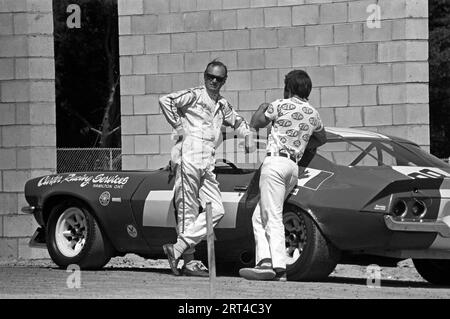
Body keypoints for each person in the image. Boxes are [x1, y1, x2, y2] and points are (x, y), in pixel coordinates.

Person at [159, 60, 252, 277]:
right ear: (205, 76)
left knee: (216, 209)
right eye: (211, 76)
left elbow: (238, 121)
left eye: (219, 78)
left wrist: (247, 136)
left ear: (224, 81)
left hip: (208, 162)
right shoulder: (194, 95)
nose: (214, 81)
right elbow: (166, 100)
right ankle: (189, 262)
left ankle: (178, 248)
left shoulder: (223, 105)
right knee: (187, 210)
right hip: (189, 157)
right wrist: (179, 127)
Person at [239, 69, 327, 281]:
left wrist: (262, 108)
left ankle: (278, 267)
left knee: (273, 215)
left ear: (289, 88)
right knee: (259, 217)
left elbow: (258, 122)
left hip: (275, 162)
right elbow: (321, 138)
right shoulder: (313, 113)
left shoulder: (280, 104)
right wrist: (304, 142)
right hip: (292, 167)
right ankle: (265, 261)